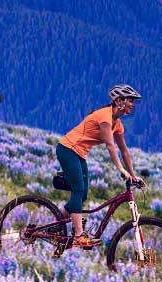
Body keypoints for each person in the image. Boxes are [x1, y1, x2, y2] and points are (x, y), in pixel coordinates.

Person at [55, 83, 143, 249]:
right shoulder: (104, 117)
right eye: (130, 100)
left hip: (79, 153)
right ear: (119, 101)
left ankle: (56, 221)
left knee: (82, 195)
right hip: (68, 149)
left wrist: (133, 174)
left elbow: (124, 151)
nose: (133, 104)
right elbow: (110, 146)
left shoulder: (117, 124)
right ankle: (79, 236)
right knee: (78, 189)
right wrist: (121, 170)